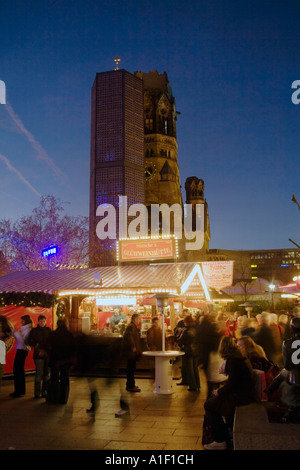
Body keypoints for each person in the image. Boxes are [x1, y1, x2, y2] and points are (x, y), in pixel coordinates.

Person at [203, 336, 255, 450]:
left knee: (209, 405)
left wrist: (219, 391)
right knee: (214, 402)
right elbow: (236, 380)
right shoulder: (238, 357)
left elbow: (232, 384)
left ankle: (220, 440)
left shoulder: (233, 360)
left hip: (240, 396)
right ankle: (226, 433)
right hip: (244, 393)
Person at [48, 318, 75, 404]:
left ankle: (55, 397)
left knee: (54, 378)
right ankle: (63, 398)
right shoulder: (69, 335)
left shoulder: (52, 334)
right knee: (65, 378)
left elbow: (48, 346)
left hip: (55, 359)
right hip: (65, 360)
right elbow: (73, 348)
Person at [27, 314, 52, 398]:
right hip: (38, 354)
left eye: (43, 321)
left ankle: (44, 391)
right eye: (40, 321)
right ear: (38, 321)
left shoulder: (49, 330)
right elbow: (29, 341)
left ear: (46, 321)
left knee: (46, 374)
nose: (42, 322)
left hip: (47, 354)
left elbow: (51, 341)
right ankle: (37, 393)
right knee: (39, 373)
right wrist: (36, 345)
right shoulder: (34, 331)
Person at [10, 314, 33, 398]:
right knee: (17, 370)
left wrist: (15, 332)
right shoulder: (24, 328)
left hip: (23, 350)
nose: (21, 322)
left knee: (18, 370)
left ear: (26, 321)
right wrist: (16, 333)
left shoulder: (28, 329)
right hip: (21, 349)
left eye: (23, 321)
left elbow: (23, 341)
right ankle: (19, 390)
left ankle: (19, 391)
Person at [122, 313, 142, 392]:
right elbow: (129, 337)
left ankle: (131, 384)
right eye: (138, 319)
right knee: (130, 368)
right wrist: (133, 346)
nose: (139, 321)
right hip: (131, 352)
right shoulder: (131, 327)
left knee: (131, 368)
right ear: (135, 319)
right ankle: (130, 386)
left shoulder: (132, 326)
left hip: (132, 352)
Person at [179, 315, 200, 391]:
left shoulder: (186, 331)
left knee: (189, 369)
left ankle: (193, 386)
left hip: (188, 351)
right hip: (195, 351)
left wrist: (179, 333)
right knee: (195, 368)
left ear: (186, 322)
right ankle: (198, 385)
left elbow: (181, 341)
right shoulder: (196, 329)